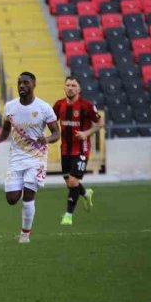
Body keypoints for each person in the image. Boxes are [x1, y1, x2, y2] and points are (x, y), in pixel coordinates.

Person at [0, 72, 60, 244]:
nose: (21, 86)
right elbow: (6, 130)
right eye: (19, 83)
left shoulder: (44, 108)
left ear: (34, 84)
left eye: (25, 83)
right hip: (17, 157)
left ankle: (25, 234)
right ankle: (21, 188)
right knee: (12, 199)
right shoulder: (10, 107)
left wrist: (47, 139)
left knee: (28, 195)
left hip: (37, 157)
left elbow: (56, 133)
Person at [53, 75, 104, 225]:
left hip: (81, 149)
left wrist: (86, 133)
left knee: (74, 181)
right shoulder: (59, 105)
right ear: (64, 87)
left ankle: (68, 215)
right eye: (68, 85)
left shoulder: (86, 106)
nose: (70, 88)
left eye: (73, 85)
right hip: (65, 150)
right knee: (70, 183)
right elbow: (51, 121)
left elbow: (100, 123)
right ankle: (86, 193)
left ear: (79, 89)